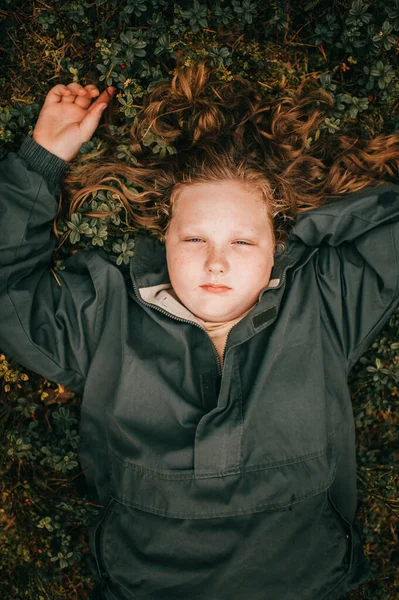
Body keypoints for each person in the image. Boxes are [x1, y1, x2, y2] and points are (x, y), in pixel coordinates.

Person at [0, 61, 398, 600]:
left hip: (301, 578)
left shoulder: (323, 302)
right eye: (194, 240)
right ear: (162, 237)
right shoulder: (104, 314)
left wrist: (293, 221)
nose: (215, 263)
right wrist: (41, 161)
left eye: (242, 242)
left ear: (276, 246)